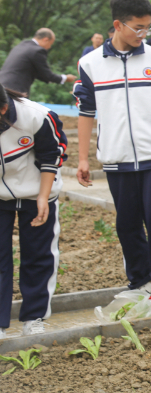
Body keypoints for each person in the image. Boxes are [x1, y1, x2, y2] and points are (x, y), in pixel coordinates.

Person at [72, 0, 151, 313]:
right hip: (116, 157)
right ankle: (140, 282)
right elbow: (85, 113)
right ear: (118, 25)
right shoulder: (90, 64)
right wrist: (82, 158)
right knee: (127, 224)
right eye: (138, 27)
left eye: (148, 27)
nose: (143, 33)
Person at [0, 84, 68, 339]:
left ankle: (34, 317)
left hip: (37, 190)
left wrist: (42, 196)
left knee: (38, 254)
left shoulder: (38, 116)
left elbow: (52, 154)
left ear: (3, 109)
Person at [0, 28, 76, 96]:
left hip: (2, 86)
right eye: (50, 44)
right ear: (45, 39)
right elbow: (47, 75)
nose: (49, 47)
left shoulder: (21, 46)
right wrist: (65, 78)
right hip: (14, 90)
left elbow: (41, 75)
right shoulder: (37, 51)